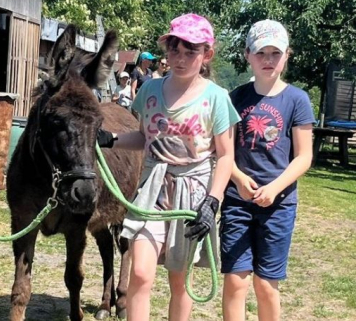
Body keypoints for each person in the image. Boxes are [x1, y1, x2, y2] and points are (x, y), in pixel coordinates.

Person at [97, 13, 239, 321]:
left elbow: (226, 156)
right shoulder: (150, 90)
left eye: (191, 51)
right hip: (153, 189)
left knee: (180, 279)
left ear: (206, 54)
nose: (181, 58)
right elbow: (144, 137)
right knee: (141, 273)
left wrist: (212, 202)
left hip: (193, 194)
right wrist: (111, 139)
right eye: (175, 50)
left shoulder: (217, 98)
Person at [218, 20, 315, 321]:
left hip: (279, 205)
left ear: (287, 55)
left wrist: (274, 188)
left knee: (265, 284)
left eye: (275, 53)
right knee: (235, 281)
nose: (268, 60)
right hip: (237, 202)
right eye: (261, 53)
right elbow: (224, 152)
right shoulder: (235, 98)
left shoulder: (297, 100)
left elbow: (304, 157)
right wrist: (237, 178)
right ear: (247, 54)